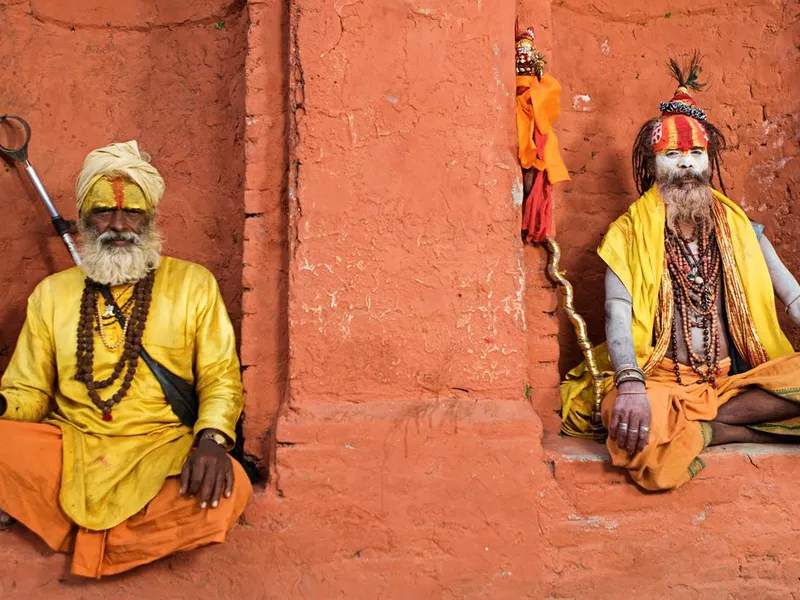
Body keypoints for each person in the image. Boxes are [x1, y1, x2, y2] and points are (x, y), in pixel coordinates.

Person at [0, 141, 252, 577]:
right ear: (84, 220)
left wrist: (211, 442)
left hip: (161, 448)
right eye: (103, 212)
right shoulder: (52, 294)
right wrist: (4, 405)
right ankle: (112, 540)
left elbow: (219, 378)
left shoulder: (193, 284)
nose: (118, 226)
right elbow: (29, 391)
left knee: (230, 491)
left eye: (132, 213)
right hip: (73, 444)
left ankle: (73, 534)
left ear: (150, 219)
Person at [561, 56, 800, 490]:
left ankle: (704, 424)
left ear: (708, 162)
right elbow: (618, 312)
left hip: (731, 383)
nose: (686, 165)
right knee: (630, 427)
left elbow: (794, 298)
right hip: (660, 381)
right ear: (653, 166)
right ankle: (721, 427)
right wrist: (632, 387)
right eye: (673, 155)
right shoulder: (628, 234)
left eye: (695, 154)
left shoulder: (742, 229)